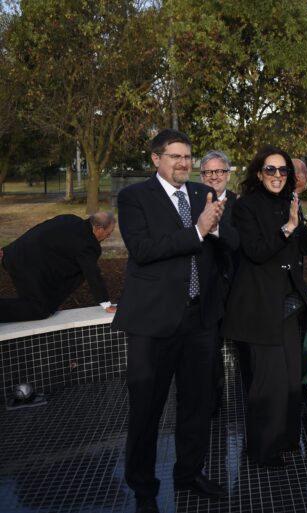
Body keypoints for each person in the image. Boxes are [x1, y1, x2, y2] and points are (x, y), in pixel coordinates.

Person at [112, 129, 234, 513]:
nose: (183, 163)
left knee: (197, 405)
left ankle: (189, 473)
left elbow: (225, 246)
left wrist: (216, 228)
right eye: (175, 156)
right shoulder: (134, 197)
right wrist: (198, 230)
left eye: (187, 156)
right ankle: (143, 490)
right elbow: (143, 250)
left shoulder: (202, 194)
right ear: (155, 159)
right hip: (153, 324)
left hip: (200, 320)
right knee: (146, 411)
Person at [222, 146, 307, 468]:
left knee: (289, 381)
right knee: (268, 383)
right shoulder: (246, 207)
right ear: (259, 173)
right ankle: (262, 450)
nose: (278, 175)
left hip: (289, 305)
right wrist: (288, 228)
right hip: (260, 308)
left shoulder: (290, 202)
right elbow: (256, 251)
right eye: (271, 169)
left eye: (283, 170)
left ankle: (286, 440)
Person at [0, 212, 116, 323]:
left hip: (14, 255)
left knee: (39, 303)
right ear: (99, 228)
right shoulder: (88, 244)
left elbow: (39, 229)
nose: (107, 237)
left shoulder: (69, 219)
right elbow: (93, 274)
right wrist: (106, 304)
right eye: (108, 233)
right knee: (39, 309)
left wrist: (9, 250)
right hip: (25, 264)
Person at [199, 150, 240, 415]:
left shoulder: (240, 204)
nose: (214, 177)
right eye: (209, 172)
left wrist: (215, 227)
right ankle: (212, 406)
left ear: (228, 174)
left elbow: (238, 242)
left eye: (220, 171)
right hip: (205, 289)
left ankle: (249, 399)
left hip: (237, 287)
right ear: (201, 175)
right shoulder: (193, 201)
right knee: (209, 351)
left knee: (243, 347)